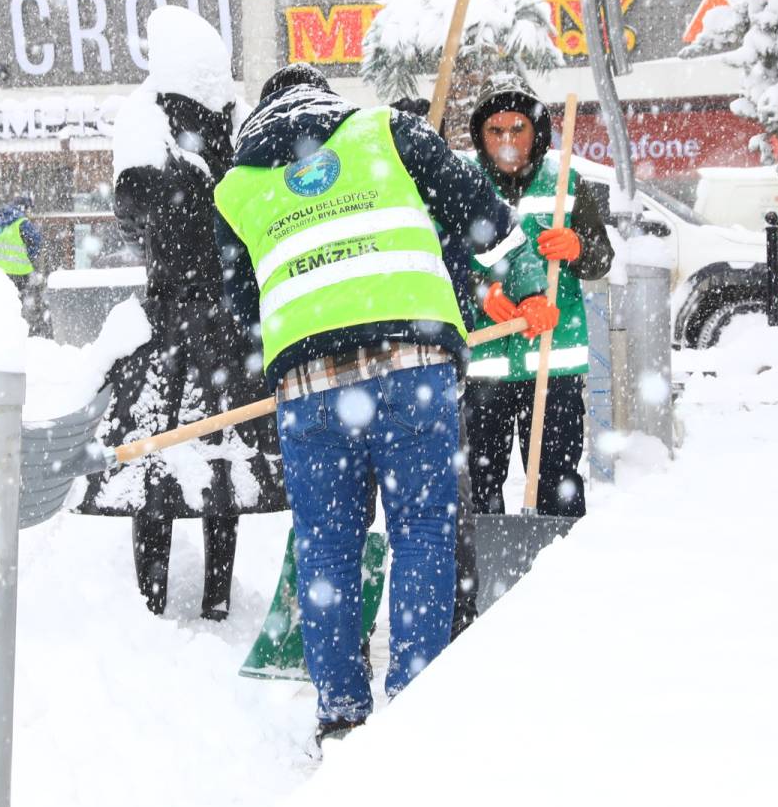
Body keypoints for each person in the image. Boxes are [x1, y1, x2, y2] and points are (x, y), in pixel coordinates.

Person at [213, 64, 580, 746]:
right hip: (413, 366)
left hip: (309, 386)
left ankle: (343, 720)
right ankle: (413, 714)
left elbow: (243, 304)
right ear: (326, 96)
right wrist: (500, 269)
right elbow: (486, 220)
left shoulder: (235, 189)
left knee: (327, 550)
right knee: (422, 533)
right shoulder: (384, 130)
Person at [80, 6, 288, 622]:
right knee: (167, 461)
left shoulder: (222, 126)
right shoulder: (153, 124)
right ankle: (168, 600)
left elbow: (142, 212)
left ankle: (205, 600)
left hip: (205, 321)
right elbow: (132, 202)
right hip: (180, 320)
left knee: (206, 463)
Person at [461, 75, 614, 525]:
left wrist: (578, 247)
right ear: (480, 135)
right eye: (495, 131)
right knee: (477, 481)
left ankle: (561, 565)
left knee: (556, 482)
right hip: (482, 365)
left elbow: (602, 258)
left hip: (553, 363)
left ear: (536, 131)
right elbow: (439, 258)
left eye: (517, 129)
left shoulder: (565, 183)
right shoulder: (461, 183)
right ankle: (481, 573)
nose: (507, 141)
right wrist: (479, 292)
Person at [0, 194, 49, 335]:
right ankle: (12, 334)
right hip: (18, 273)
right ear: (26, 208)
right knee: (15, 306)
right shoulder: (22, 223)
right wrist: (28, 257)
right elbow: (36, 242)